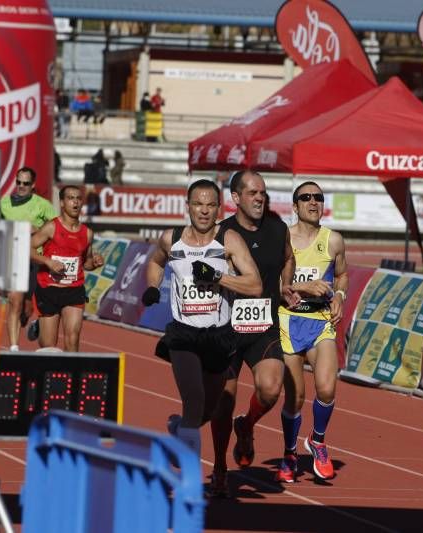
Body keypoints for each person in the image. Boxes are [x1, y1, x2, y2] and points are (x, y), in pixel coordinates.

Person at [142, 179, 261, 463]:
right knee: (194, 402)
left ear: (219, 208)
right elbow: (156, 262)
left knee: (208, 411)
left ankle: (179, 429)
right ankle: (185, 471)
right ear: (188, 206)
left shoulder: (229, 240)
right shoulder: (171, 239)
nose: (204, 211)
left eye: (210, 205)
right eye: (198, 204)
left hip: (219, 336)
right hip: (183, 335)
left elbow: (255, 285)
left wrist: (218, 277)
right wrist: (152, 287)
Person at [208, 170, 296, 496]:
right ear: (236, 198)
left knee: (271, 389)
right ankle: (219, 466)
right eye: (253, 193)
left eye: (263, 193)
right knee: (223, 402)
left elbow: (288, 258)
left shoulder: (277, 229)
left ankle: (246, 426)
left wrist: (287, 284)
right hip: (226, 328)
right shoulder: (221, 234)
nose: (260, 198)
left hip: (263, 327)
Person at [276, 181, 348, 483]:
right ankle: (290, 453)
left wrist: (340, 296)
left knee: (327, 388)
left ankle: (317, 441)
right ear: (295, 206)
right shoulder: (283, 239)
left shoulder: (333, 240)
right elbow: (275, 286)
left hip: (320, 322)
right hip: (288, 321)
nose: (313, 202)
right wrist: (302, 287)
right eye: (305, 198)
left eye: (318, 197)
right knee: (295, 397)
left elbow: (342, 275)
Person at [28, 185, 104, 351]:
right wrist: (48, 262)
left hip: (74, 290)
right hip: (48, 289)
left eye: (78, 198)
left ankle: (71, 375)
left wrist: (95, 263)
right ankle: (40, 327)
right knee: (49, 346)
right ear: (62, 203)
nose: (75, 202)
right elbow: (28, 249)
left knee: (72, 338)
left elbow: (86, 263)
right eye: (71, 198)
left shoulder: (87, 233)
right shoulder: (51, 227)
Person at [0, 166, 57, 351]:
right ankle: (14, 347)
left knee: (27, 308)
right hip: (13, 258)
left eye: (25, 183)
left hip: (34, 259)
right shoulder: (5, 203)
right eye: (18, 182)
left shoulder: (43, 205)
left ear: (33, 185)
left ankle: (29, 320)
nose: (21, 186)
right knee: (14, 300)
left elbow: (57, 229)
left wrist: (38, 230)